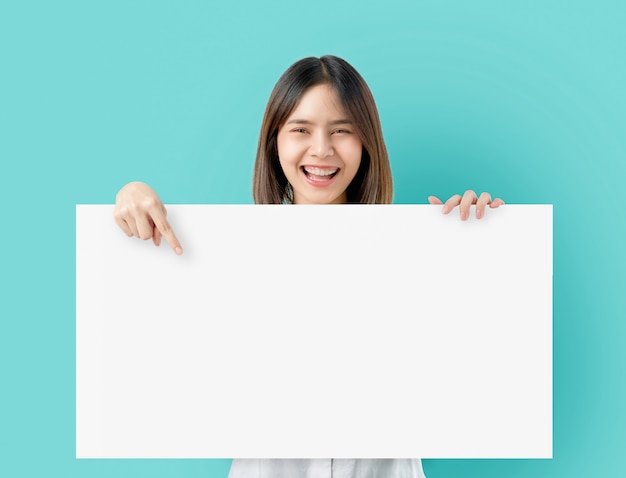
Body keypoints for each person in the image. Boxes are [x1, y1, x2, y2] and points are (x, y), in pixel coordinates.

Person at [113, 55, 504, 478]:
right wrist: (132, 195)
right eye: (301, 129)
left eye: (342, 131)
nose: (322, 149)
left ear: (366, 142)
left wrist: (478, 243)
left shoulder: (417, 260)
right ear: (275, 142)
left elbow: (471, 374)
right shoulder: (231, 262)